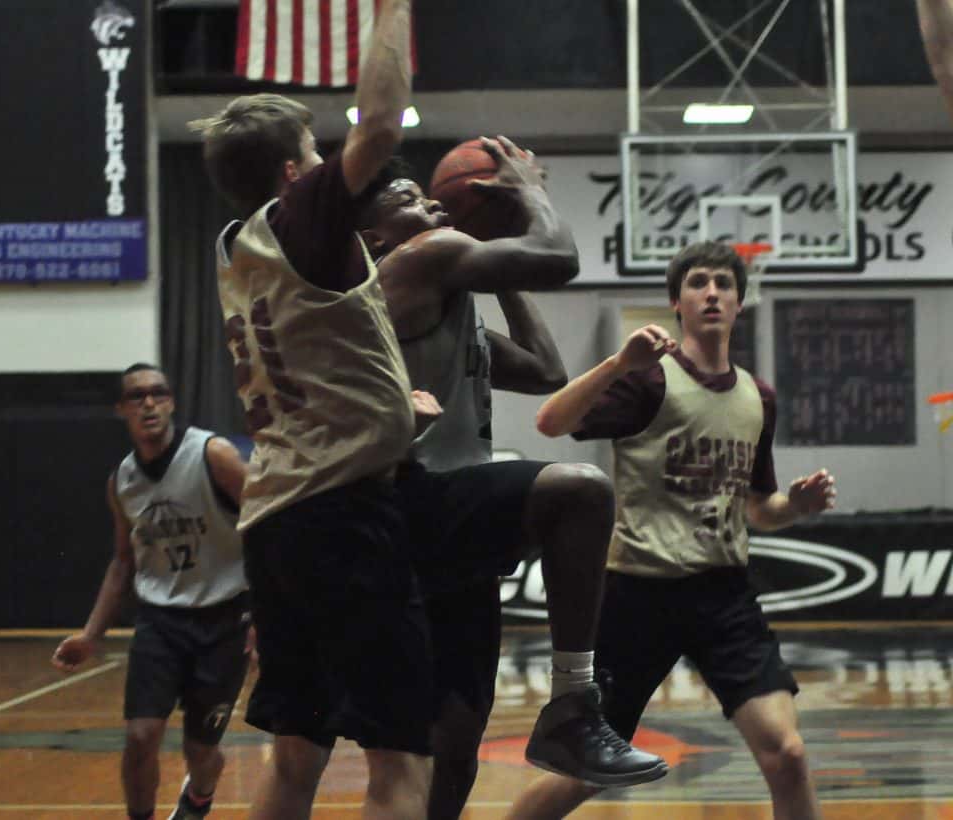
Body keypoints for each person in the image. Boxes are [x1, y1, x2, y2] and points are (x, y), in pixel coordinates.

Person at [357, 147, 668, 820]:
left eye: (429, 197)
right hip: (409, 499)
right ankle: (573, 705)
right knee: (580, 491)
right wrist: (526, 192)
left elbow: (545, 370)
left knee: (458, 741)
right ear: (373, 237)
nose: (431, 204)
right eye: (408, 200)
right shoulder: (416, 258)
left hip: (448, 515)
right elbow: (558, 258)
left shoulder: (448, 290)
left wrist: (498, 268)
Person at [189, 3, 437, 817]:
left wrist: (385, 411)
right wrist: (392, 10)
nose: (329, 160)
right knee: (402, 761)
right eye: (314, 151)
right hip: (344, 519)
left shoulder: (239, 249)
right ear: (295, 173)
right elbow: (381, 123)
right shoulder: (300, 221)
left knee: (297, 752)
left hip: (278, 522)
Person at [511, 241, 837, 820]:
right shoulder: (648, 383)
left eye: (723, 284)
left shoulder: (758, 398)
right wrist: (618, 363)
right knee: (582, 774)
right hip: (639, 595)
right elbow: (550, 421)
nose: (711, 293)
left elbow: (759, 510)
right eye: (698, 283)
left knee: (787, 754)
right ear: (676, 303)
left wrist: (796, 505)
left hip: (724, 596)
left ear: (739, 303)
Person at [53, 363, 251, 820]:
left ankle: (198, 795)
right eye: (137, 396)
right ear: (121, 409)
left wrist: (266, 612)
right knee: (140, 736)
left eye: (158, 393)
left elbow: (263, 524)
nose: (149, 403)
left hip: (224, 617)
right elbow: (123, 561)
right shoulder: (121, 481)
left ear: (172, 403)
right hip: (162, 620)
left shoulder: (212, 455)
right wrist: (90, 635)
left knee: (202, 752)